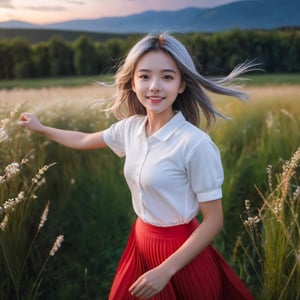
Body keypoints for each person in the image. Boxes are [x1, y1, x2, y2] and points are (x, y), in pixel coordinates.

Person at [19, 33, 255, 299]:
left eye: (167, 77)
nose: (154, 86)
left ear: (181, 85)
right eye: (144, 76)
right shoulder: (130, 128)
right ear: (132, 82)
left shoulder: (195, 144)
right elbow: (84, 139)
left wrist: (166, 270)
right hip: (141, 241)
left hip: (181, 254)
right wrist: (41, 129)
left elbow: (213, 221)